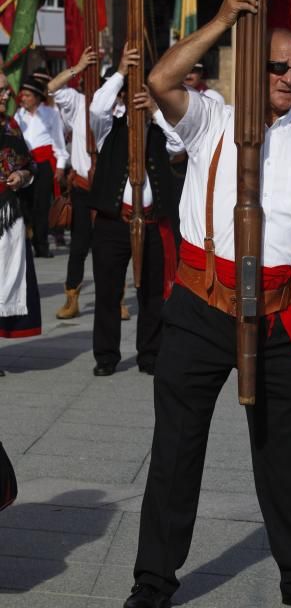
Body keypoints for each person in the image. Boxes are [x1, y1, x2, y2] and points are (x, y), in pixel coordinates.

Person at [122, 0, 291, 608]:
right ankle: (154, 578)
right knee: (177, 450)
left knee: (283, 458)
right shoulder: (212, 118)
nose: (289, 77)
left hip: (275, 319)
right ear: (254, 65)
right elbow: (158, 81)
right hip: (200, 308)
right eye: (276, 66)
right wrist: (221, 19)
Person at [88, 44, 176, 377]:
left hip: (151, 221)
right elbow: (97, 108)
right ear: (123, 97)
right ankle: (106, 356)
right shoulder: (109, 126)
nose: (136, 99)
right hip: (114, 221)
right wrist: (122, 70)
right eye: (131, 94)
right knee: (108, 291)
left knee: (152, 293)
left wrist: (155, 110)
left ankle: (149, 354)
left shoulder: (161, 127)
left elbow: (180, 143)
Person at [45, 47, 98, 318]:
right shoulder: (77, 101)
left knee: (108, 247)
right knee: (78, 245)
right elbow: (52, 88)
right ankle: (72, 297)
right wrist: (77, 66)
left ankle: (116, 298)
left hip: (108, 187)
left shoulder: (116, 106)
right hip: (81, 186)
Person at [0, 72, 41, 373]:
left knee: (4, 282)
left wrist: (22, 176)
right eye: (1, 91)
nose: (6, 96)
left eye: (7, 92)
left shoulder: (10, 125)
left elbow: (30, 166)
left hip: (8, 215)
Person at [14, 76, 68, 258]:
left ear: (37, 97)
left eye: (28, 95)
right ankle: (27, 242)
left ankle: (42, 245)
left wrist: (60, 166)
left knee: (42, 206)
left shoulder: (51, 114)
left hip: (44, 165)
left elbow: (59, 142)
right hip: (25, 165)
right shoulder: (18, 115)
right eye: (23, 95)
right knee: (26, 205)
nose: (24, 98)